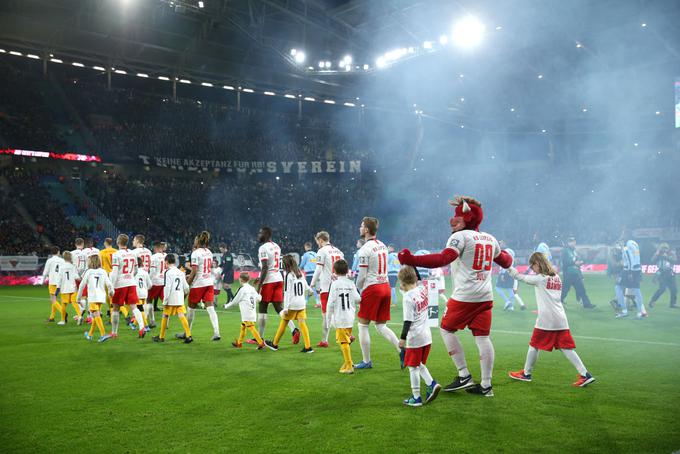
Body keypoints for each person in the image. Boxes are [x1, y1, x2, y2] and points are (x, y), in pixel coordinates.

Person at [399, 196, 513, 397]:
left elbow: (443, 258)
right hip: (485, 297)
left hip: (465, 296)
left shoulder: (460, 237)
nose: (453, 220)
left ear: (466, 218)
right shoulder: (490, 238)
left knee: (446, 329)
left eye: (457, 216)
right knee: (483, 338)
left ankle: (464, 374)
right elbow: (505, 260)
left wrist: (411, 259)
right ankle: (486, 385)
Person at [507, 253, 596, 387]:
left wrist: (508, 266)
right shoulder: (556, 277)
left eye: (533, 265)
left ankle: (526, 374)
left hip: (547, 319)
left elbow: (519, 277)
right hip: (560, 318)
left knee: (534, 345)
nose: (532, 268)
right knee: (566, 348)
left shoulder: (540, 279)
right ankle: (585, 374)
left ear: (538, 263)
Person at [354, 217, 402, 370]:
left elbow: (361, 276)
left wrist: (356, 289)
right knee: (381, 325)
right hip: (385, 286)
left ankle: (366, 361)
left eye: (361, 226)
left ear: (367, 230)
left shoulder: (364, 249)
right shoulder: (382, 245)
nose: (360, 228)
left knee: (362, 325)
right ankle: (402, 350)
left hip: (373, 288)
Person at [398, 266, 441, 407]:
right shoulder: (423, 290)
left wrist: (402, 338)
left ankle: (416, 397)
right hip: (427, 336)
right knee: (418, 364)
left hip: (415, 338)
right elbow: (417, 279)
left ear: (403, 283)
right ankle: (431, 384)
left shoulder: (407, 297)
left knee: (413, 367)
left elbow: (408, 321)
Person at [254, 226, 299, 343]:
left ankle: (259, 337)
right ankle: (294, 330)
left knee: (262, 307)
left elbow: (264, 268)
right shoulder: (276, 246)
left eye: (260, 233)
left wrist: (259, 285)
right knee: (279, 307)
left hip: (269, 280)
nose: (259, 235)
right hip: (278, 278)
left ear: (266, 234)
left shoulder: (263, 248)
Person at [99, 234, 146, 341]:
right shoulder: (133, 254)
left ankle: (114, 332)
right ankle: (142, 327)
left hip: (120, 284)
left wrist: (111, 287)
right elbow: (136, 271)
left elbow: (114, 273)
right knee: (134, 307)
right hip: (131, 282)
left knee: (115, 308)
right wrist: (130, 277)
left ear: (118, 242)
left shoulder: (116, 255)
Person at [265, 254, 314, 353]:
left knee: (284, 322)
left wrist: (286, 308)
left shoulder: (288, 275)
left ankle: (274, 344)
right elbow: (306, 286)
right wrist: (310, 291)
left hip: (292, 304)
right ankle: (308, 347)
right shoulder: (299, 272)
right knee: (303, 324)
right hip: (301, 303)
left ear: (286, 264)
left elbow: (287, 293)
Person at [179, 231, 221, 341]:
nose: (194, 242)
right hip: (209, 283)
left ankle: (187, 332)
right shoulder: (209, 252)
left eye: (195, 240)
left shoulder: (196, 253)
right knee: (211, 308)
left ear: (198, 241)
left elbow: (194, 271)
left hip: (199, 284)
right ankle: (217, 332)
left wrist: (186, 284)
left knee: (191, 309)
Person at [310, 231, 344, 348]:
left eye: (317, 241)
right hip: (339, 285)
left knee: (326, 315)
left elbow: (318, 269)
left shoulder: (322, 251)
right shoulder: (339, 251)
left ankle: (329, 339)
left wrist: (312, 284)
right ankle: (329, 339)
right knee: (336, 313)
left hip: (327, 286)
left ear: (320, 240)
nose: (317, 244)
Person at [327, 259, 361, 374]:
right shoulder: (351, 283)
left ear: (334, 271)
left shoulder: (334, 284)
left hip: (340, 318)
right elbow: (358, 299)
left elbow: (330, 303)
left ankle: (349, 365)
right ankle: (347, 361)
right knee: (345, 340)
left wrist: (327, 320)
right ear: (347, 271)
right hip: (350, 317)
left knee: (343, 342)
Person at [152, 254, 192, 343]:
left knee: (165, 315)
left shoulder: (168, 272)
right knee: (182, 315)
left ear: (166, 262)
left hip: (171, 298)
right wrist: (184, 293)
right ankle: (189, 335)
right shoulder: (180, 272)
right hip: (179, 297)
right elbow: (186, 286)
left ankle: (161, 337)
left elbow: (167, 287)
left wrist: (165, 300)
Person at [78, 255, 114, 342]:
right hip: (101, 297)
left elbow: (82, 285)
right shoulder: (103, 271)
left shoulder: (89, 272)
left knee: (96, 315)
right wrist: (111, 291)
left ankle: (103, 334)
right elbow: (109, 283)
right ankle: (90, 335)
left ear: (91, 262)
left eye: (89, 261)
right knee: (95, 316)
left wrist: (78, 298)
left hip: (93, 297)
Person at [224, 273, 265, 349]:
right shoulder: (252, 288)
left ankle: (261, 343)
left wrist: (227, 306)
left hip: (247, 311)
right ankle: (239, 343)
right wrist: (260, 293)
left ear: (241, 279)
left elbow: (235, 300)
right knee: (243, 326)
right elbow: (259, 299)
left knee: (251, 327)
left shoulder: (242, 289)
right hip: (252, 310)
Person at [616, 234, 647, 319]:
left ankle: (624, 311)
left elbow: (629, 259)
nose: (620, 243)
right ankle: (641, 312)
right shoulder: (634, 243)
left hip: (628, 270)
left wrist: (630, 272)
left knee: (618, 287)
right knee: (636, 290)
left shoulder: (626, 247)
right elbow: (636, 256)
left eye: (621, 241)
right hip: (636, 269)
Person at [560, 237, 595, 309]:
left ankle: (587, 304)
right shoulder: (565, 251)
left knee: (581, 289)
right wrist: (575, 263)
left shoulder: (574, 251)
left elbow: (577, 262)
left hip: (575, 274)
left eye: (573, 241)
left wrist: (581, 263)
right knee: (565, 290)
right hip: (568, 274)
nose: (573, 243)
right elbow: (565, 262)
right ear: (568, 243)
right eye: (571, 241)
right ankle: (557, 302)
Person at [56, 251, 81, 325]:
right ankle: (79, 316)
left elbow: (59, 278)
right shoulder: (73, 266)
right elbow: (76, 276)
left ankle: (63, 320)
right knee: (75, 303)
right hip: (73, 287)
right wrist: (80, 279)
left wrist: (58, 288)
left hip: (65, 288)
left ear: (63, 258)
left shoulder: (61, 267)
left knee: (63, 304)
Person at [649, 243, 677, 309]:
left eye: (666, 248)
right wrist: (657, 254)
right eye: (663, 248)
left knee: (674, 289)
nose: (665, 250)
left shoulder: (671, 253)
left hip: (670, 273)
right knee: (662, 289)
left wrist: (665, 257)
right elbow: (652, 260)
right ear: (661, 248)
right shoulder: (658, 254)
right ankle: (652, 300)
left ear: (668, 248)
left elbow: (674, 260)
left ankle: (673, 303)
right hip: (662, 273)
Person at [496, 247, 525, 311]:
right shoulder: (513, 259)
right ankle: (511, 307)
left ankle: (508, 302)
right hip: (512, 276)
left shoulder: (505, 258)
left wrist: (502, 275)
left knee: (497, 288)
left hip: (505, 275)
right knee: (510, 291)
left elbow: (503, 266)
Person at [42, 246, 64, 323]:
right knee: (57, 300)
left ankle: (63, 313)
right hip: (61, 282)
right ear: (58, 252)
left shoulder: (49, 260)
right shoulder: (62, 260)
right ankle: (52, 317)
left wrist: (42, 281)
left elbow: (45, 272)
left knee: (53, 300)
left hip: (52, 282)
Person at [148, 241, 167, 315]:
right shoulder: (166, 255)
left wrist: (148, 281)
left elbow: (152, 271)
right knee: (165, 301)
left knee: (149, 300)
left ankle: (151, 320)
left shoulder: (153, 257)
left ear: (155, 247)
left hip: (156, 281)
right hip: (164, 281)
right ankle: (166, 320)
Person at [300, 242, 320, 308]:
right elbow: (319, 262)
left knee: (311, 288)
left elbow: (302, 265)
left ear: (306, 247)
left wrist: (299, 269)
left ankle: (318, 302)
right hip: (316, 273)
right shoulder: (316, 254)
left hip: (309, 274)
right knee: (311, 288)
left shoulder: (305, 255)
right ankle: (305, 302)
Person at [134, 257, 152, 331]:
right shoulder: (145, 272)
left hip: (137, 293)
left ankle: (146, 326)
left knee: (140, 310)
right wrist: (145, 288)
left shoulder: (134, 273)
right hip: (144, 294)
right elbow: (150, 285)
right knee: (140, 309)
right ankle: (134, 323)